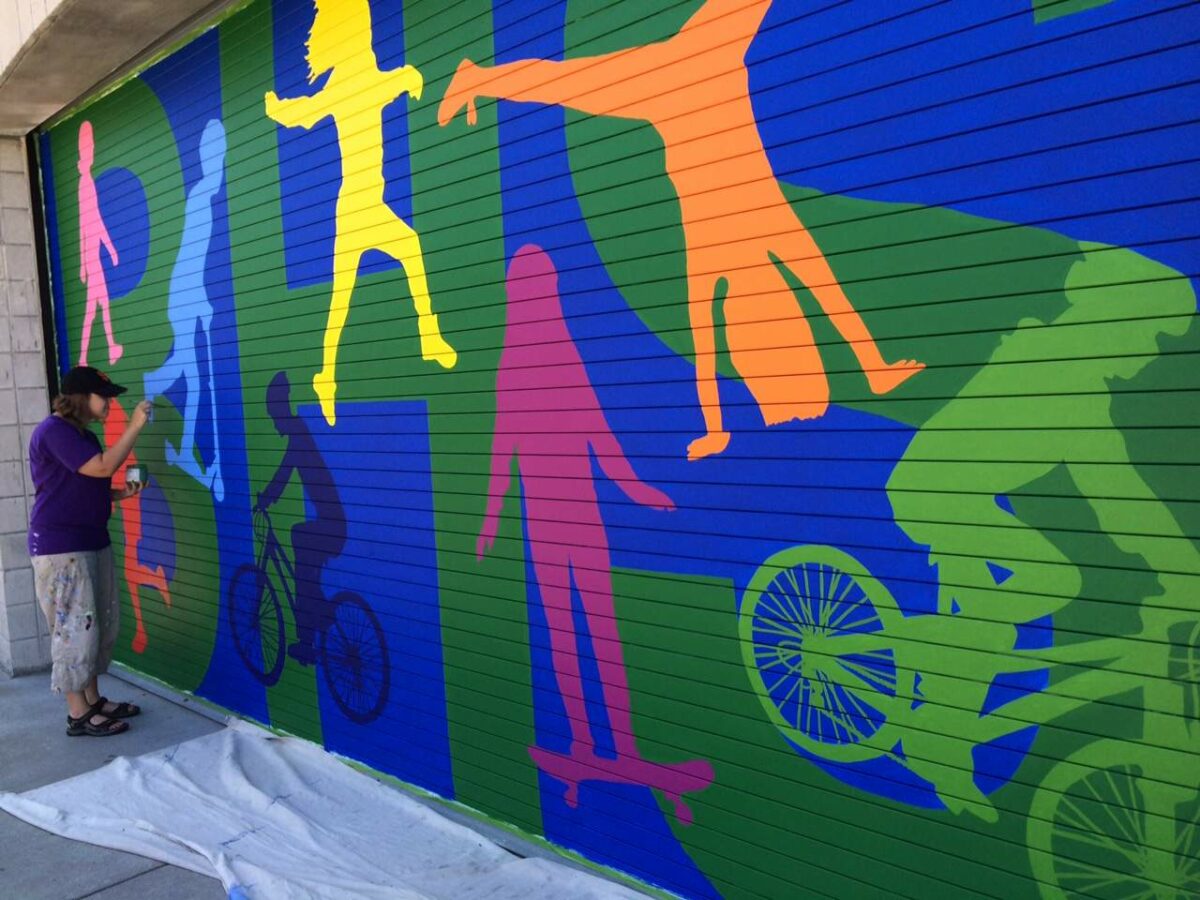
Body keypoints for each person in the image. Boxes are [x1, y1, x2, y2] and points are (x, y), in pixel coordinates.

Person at [439, 0, 921, 460]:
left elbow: (786, 308)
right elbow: (800, 302)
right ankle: (477, 77)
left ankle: (477, 77)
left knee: (567, 83)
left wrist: (719, 429)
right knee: (567, 83)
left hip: (684, 73)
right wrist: (871, 369)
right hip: (700, 66)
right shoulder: (752, 238)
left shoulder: (724, 252)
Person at [265, 0, 457, 427]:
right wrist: (279, 108)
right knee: (352, 290)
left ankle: (334, 375)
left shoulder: (360, 80)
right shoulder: (353, 82)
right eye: (365, 30)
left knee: (369, 279)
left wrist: (403, 79)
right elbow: (311, 111)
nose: (370, 35)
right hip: (356, 206)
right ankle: (337, 373)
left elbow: (315, 109)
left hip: (368, 203)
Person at [27, 366, 152, 736]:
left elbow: (89, 483)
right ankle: (78, 714)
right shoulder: (54, 432)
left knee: (96, 626)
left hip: (91, 540)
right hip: (62, 548)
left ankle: (94, 700)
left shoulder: (83, 435)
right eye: (105, 396)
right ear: (82, 397)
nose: (110, 403)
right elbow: (101, 468)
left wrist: (120, 494)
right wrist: (135, 427)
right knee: (73, 628)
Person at [255, 371, 346, 666]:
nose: (274, 422)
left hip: (332, 525)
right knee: (304, 572)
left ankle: (310, 635)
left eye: (274, 414)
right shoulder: (298, 431)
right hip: (331, 523)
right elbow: (287, 470)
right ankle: (317, 616)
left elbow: (284, 471)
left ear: (281, 410)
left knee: (301, 561)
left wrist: (266, 498)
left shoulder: (298, 432)